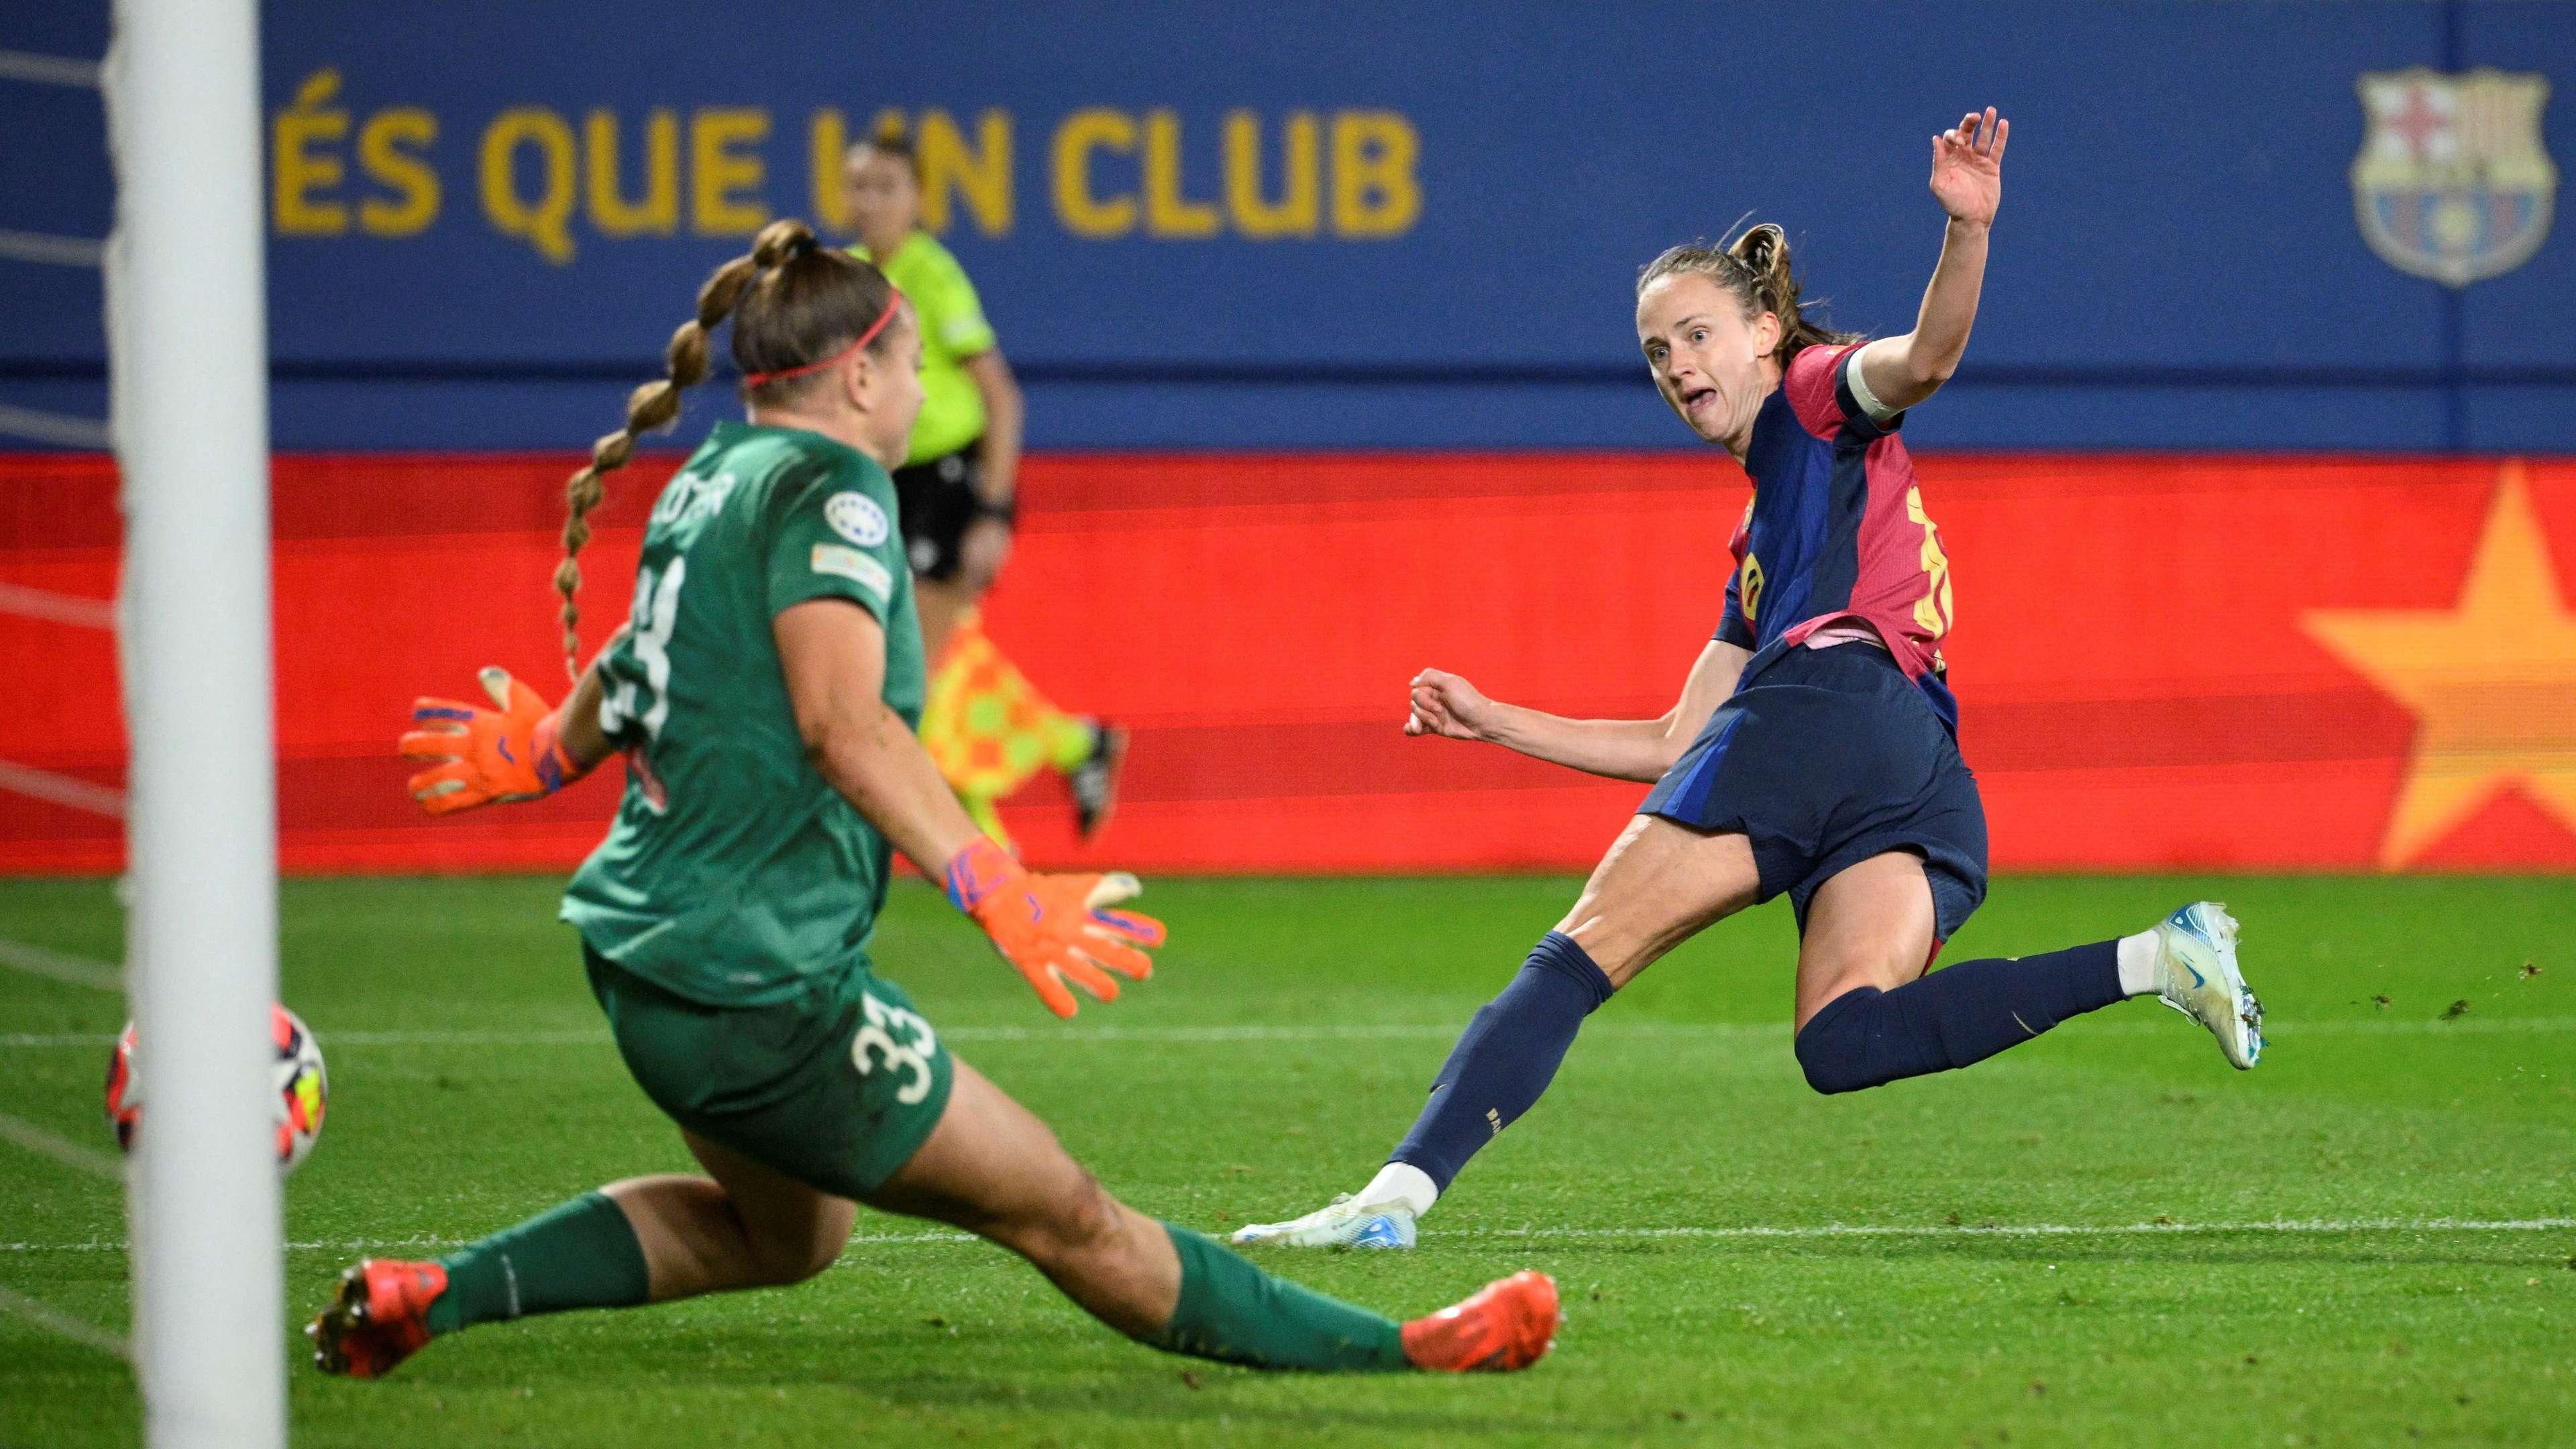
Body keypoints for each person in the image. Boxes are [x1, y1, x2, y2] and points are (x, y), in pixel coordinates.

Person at [311, 220, 1556, 1375]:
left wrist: (546, 755)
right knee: (1065, 1211)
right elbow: (843, 726)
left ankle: (436, 1293)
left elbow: (639, 654)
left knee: (788, 1238)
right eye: (910, 366)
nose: (921, 393)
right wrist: (998, 891)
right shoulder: (837, 491)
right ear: (858, 376)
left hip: (646, 965)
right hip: (761, 989)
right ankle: (1404, 1353)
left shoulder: (714, 474)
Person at [1234, 109, 2266, 1251]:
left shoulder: (1818, 397)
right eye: (1657, 353)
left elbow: (1922, 360)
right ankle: (2157, 959)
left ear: (1766, 331)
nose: (1679, 368)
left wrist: (1966, 231)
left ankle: (1393, 1200)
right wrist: (1497, 722)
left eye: (1697, 336)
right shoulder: (1766, 552)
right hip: (1910, 768)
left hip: (1827, 713)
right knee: (1844, 1042)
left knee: (1574, 958)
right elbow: (1683, 741)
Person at [842, 128, 1124, 849]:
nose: (871, 203)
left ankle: (992, 857)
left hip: (948, 480)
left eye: (888, 188)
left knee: (917, 674)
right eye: (860, 187)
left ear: (920, 200)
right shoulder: (844, 278)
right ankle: (1074, 748)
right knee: (931, 665)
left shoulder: (930, 275)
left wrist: (993, 510)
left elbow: (1000, 395)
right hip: (887, 483)